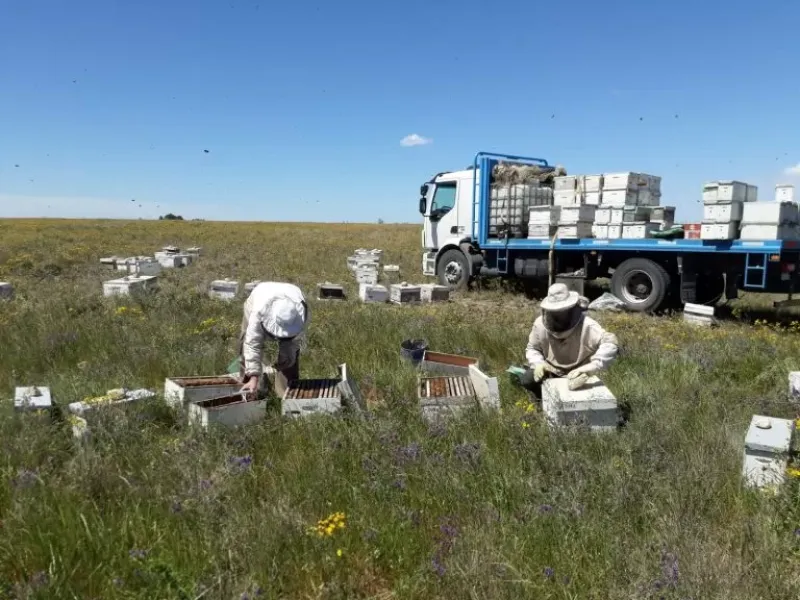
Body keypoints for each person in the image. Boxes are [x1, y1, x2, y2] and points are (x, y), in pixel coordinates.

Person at [520, 283, 619, 398]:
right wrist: (538, 363)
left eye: (562, 311)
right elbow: (533, 348)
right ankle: (543, 400)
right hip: (551, 370)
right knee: (527, 379)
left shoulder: (587, 325)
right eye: (555, 312)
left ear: (570, 308)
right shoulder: (539, 324)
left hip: (578, 374)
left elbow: (610, 342)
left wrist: (591, 367)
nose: (558, 316)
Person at [238, 282, 309, 399]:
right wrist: (254, 376)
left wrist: (288, 357)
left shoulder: (302, 313)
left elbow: (295, 342)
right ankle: (249, 388)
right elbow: (252, 345)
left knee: (289, 359)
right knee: (245, 345)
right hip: (257, 298)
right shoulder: (258, 313)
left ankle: (286, 394)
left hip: (290, 294)